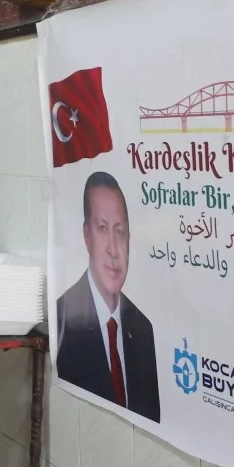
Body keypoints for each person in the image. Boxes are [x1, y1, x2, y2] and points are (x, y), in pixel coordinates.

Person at [55, 171, 161, 422]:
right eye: (102, 229)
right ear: (87, 236)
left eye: (120, 231)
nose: (113, 249)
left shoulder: (143, 329)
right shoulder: (62, 320)